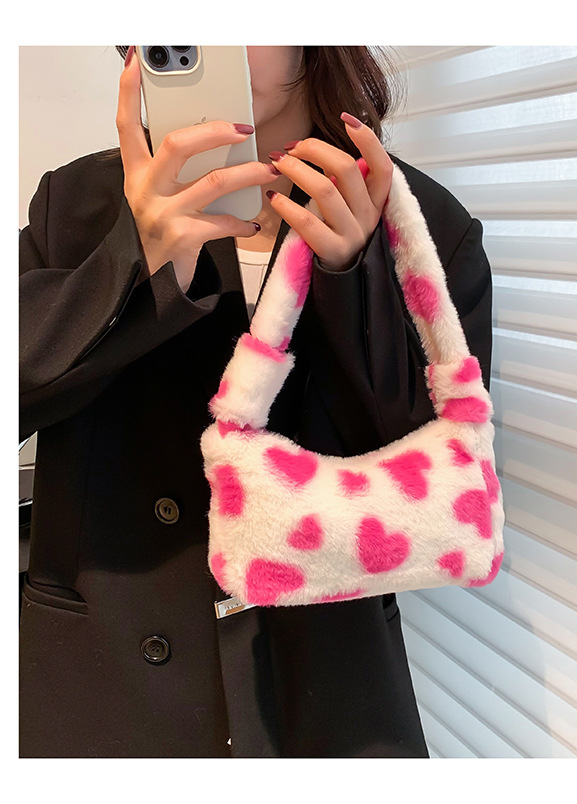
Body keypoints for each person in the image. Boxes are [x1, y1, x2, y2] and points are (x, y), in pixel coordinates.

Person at [19, 46, 494, 758]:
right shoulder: (81, 202)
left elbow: (438, 465)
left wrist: (351, 280)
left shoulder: (420, 220)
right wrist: (134, 262)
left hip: (323, 687)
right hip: (105, 684)